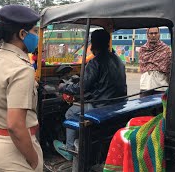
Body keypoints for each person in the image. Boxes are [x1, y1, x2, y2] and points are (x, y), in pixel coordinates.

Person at [0, 5, 43, 172]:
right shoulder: (21, 68)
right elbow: (15, 125)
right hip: (14, 151)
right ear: (22, 34)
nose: (36, 36)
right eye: (34, 31)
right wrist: (33, 159)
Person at [53, 29, 127, 160]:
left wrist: (63, 87)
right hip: (117, 103)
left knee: (70, 113)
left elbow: (82, 87)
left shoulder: (95, 62)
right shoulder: (118, 60)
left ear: (93, 44)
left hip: (101, 106)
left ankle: (70, 150)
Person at [139, 27, 172, 97]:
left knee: (160, 107)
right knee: (144, 107)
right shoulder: (142, 49)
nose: (153, 35)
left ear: (159, 34)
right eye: (151, 33)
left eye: (156, 33)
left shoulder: (166, 49)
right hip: (145, 85)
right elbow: (142, 68)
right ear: (147, 35)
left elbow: (169, 68)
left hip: (160, 86)